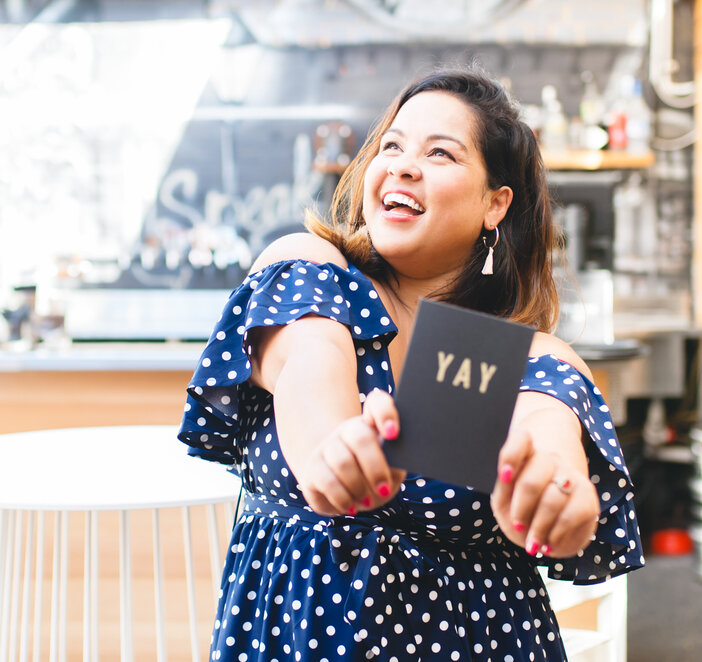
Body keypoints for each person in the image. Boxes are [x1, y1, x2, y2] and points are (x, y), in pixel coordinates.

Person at [179, 66, 643, 661]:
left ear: (494, 205)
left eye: (441, 153)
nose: (400, 163)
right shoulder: (310, 266)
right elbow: (308, 360)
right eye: (391, 145)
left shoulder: (524, 355)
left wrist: (556, 493)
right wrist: (335, 448)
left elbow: (547, 437)